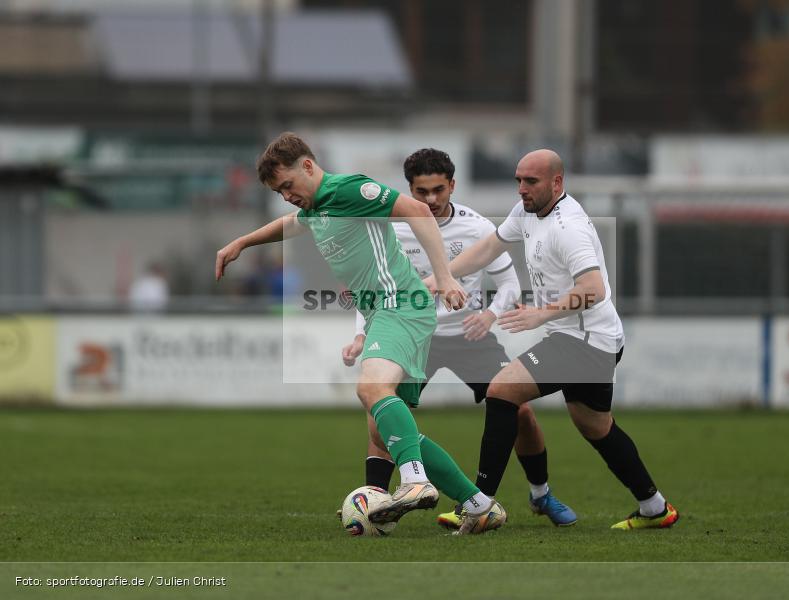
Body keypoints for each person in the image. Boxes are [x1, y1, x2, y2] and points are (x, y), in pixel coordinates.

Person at [215, 132, 505, 535]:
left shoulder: (348, 189)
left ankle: (416, 482)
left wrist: (444, 276)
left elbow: (418, 211)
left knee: (371, 390)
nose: (286, 195)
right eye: (278, 191)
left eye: (287, 185)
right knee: (384, 431)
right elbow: (289, 224)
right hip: (388, 314)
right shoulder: (317, 207)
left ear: (308, 167)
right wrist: (241, 243)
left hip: (400, 306)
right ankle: (479, 505)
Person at [425, 149, 679, 530]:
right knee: (596, 426)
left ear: (557, 183)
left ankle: (478, 505)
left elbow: (593, 289)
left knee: (500, 391)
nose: (522, 189)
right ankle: (655, 508)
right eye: (518, 180)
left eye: (531, 181)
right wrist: (441, 277)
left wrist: (540, 314)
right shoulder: (526, 211)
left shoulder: (568, 227)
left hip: (586, 340)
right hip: (590, 337)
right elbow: (489, 248)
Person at [342, 148, 577, 529]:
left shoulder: (477, 227)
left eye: (438, 189)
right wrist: (360, 334)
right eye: (421, 192)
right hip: (415, 335)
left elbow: (508, 285)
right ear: (409, 190)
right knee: (381, 416)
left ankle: (541, 494)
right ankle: (377, 500)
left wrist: (489, 315)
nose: (431, 199)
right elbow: (375, 289)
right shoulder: (394, 228)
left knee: (520, 411)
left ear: (452, 185)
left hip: (470, 336)